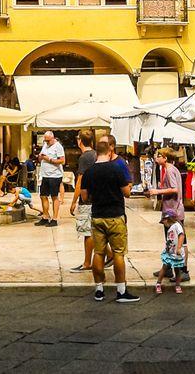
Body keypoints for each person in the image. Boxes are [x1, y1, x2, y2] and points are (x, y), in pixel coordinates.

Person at [80, 140, 138, 303]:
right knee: (118, 253)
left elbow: (84, 196)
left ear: (96, 152)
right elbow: (126, 193)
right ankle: (121, 291)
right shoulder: (116, 169)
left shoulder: (89, 172)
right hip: (115, 215)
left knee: (98, 252)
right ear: (109, 151)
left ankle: (99, 289)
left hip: (97, 215)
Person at [146, 148, 189, 280]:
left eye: (158, 155)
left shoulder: (169, 170)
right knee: (171, 240)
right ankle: (169, 268)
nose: (156, 157)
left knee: (180, 240)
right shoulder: (171, 169)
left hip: (173, 211)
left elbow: (175, 189)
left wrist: (157, 191)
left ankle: (183, 271)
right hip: (172, 210)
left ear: (165, 157)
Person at [69, 131, 97, 272]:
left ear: (80, 141)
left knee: (87, 232)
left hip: (87, 199)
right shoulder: (96, 154)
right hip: (96, 197)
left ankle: (87, 263)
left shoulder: (84, 157)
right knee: (94, 230)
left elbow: (80, 181)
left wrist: (74, 200)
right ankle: (109, 255)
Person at [37, 130, 65, 227]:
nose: (46, 142)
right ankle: (45, 216)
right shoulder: (45, 145)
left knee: (54, 197)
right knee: (43, 196)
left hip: (55, 175)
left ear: (53, 138)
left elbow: (62, 160)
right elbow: (41, 157)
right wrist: (40, 157)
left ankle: (55, 218)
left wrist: (49, 159)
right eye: (45, 140)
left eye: (48, 140)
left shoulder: (58, 146)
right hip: (45, 174)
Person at [155, 210, 186, 295]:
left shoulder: (177, 226)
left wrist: (179, 248)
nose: (163, 223)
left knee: (177, 269)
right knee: (165, 267)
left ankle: (177, 285)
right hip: (169, 252)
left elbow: (181, 235)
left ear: (168, 219)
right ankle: (158, 283)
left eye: (163, 221)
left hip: (176, 252)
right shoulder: (170, 228)